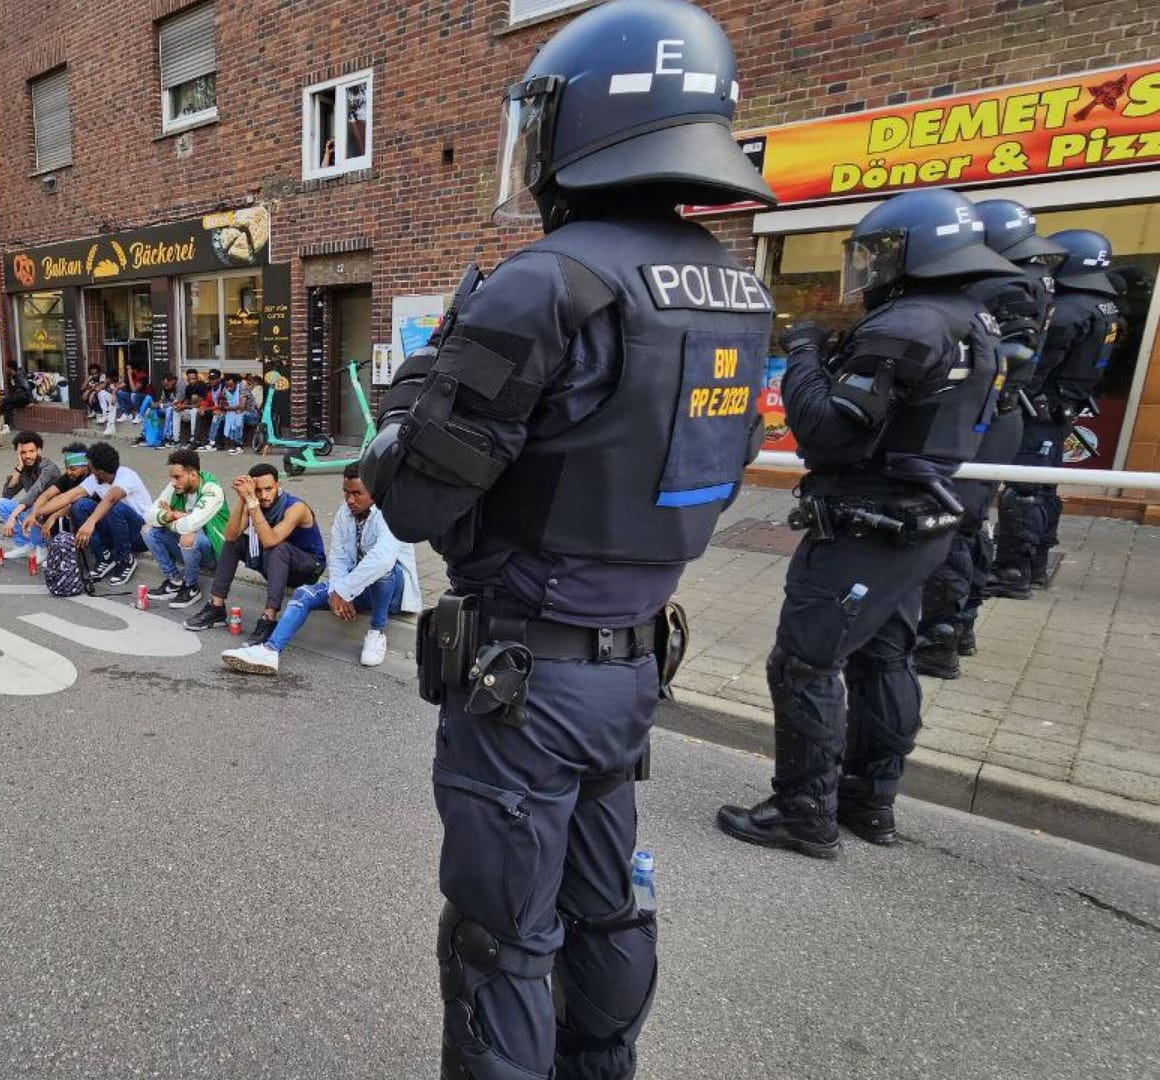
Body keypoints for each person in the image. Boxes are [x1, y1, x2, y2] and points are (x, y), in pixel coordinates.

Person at [355, 4, 780, 1076]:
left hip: (525, 679)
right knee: (608, 910)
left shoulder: (546, 282)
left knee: (503, 943)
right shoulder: (735, 285)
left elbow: (412, 502)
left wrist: (415, 376)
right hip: (632, 658)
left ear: (577, 124)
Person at [715, 188, 1016, 859]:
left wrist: (801, 353)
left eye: (878, 254)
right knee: (884, 659)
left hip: (866, 524)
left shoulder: (907, 325)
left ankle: (803, 812)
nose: (868, 268)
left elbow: (825, 432)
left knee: (804, 664)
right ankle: (868, 800)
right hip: (921, 520)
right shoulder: (975, 320)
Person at [912, 199, 1064, 678]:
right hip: (999, 417)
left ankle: (939, 636)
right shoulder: (1034, 279)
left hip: (984, 419)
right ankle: (960, 624)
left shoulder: (1005, 284)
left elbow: (1013, 356)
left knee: (953, 526)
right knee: (971, 523)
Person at [989, 228, 1127, 597]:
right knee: (1043, 486)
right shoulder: (1104, 306)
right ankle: (1035, 560)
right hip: (1064, 407)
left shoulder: (1067, 311)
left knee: (1023, 490)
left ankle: (1013, 570)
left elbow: (1035, 367)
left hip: (1040, 410)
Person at [223, 463, 420, 674]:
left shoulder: (390, 512)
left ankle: (377, 632)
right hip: (356, 588)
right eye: (346, 493)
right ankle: (270, 650)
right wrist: (338, 590)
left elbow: (382, 559)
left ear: (374, 490)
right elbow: (339, 557)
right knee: (303, 593)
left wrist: (343, 591)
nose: (350, 500)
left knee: (385, 571)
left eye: (357, 493)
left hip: (392, 593)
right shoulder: (345, 513)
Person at [182, 463, 323, 642]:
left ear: (278, 486)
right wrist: (242, 499)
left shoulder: (295, 507)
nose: (264, 496)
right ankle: (216, 607)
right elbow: (230, 535)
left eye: (269, 489)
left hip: (306, 568)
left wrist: (253, 504)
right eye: (257, 490)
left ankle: (269, 619)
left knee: (278, 547)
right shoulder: (252, 501)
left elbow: (270, 540)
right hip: (275, 565)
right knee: (234, 543)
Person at [142, 449, 226, 608]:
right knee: (148, 530)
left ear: (193, 475)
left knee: (188, 536)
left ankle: (191, 587)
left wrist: (168, 517)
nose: (173, 482)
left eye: (177, 477)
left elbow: (190, 525)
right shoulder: (176, 486)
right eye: (171, 477)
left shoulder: (212, 490)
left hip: (214, 553)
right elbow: (149, 515)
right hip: (186, 548)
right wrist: (173, 515)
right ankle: (174, 580)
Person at [65, 441, 156, 584]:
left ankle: (126, 560)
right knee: (79, 505)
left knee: (115, 507)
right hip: (117, 530)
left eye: (90, 468)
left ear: (100, 471)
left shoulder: (126, 476)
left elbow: (111, 499)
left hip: (140, 535)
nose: (89, 471)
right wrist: (36, 514)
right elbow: (67, 497)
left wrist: (90, 522)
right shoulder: (96, 479)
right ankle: (104, 557)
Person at [0, 432, 62, 559]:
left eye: (31, 451)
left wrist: (13, 516)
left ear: (39, 450)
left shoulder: (48, 468)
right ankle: (25, 545)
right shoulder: (24, 468)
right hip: (33, 508)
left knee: (35, 508)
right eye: (23, 453)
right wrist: (19, 467)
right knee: (1, 504)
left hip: (52, 513)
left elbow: (34, 493)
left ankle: (42, 547)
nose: (28, 456)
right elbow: (7, 494)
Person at [14, 442, 95, 540]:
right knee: (45, 504)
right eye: (67, 468)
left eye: (73, 469)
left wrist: (53, 517)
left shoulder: (92, 479)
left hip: (93, 519)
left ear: (85, 466)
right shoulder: (68, 476)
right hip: (71, 513)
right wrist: (33, 514)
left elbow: (71, 502)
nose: (68, 472)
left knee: (75, 506)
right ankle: (47, 543)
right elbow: (46, 495)